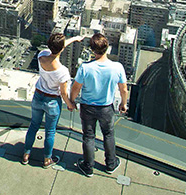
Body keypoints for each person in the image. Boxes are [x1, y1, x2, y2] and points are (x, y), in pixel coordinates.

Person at [70, 33, 127, 177]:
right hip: (106, 107)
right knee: (108, 135)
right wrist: (123, 104)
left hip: (87, 107)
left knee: (89, 136)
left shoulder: (85, 67)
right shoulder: (117, 67)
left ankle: (88, 167)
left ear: (92, 50)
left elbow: (76, 87)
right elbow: (123, 89)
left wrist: (72, 100)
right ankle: (110, 164)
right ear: (107, 48)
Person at [21, 32, 81, 168]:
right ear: (62, 49)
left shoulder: (41, 56)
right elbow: (64, 93)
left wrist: (74, 39)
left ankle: (26, 154)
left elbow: (56, 47)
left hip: (38, 96)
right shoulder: (63, 72)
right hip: (52, 101)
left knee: (33, 126)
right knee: (50, 131)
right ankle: (47, 159)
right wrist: (70, 104)